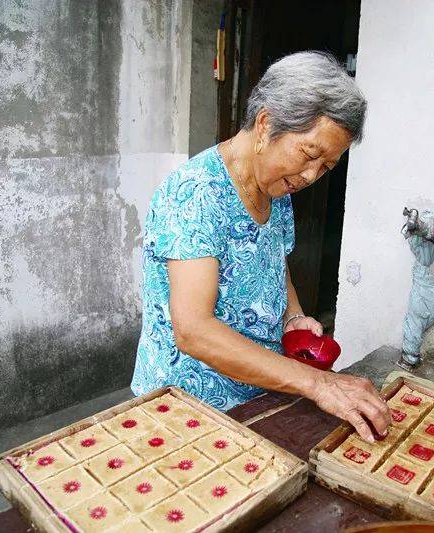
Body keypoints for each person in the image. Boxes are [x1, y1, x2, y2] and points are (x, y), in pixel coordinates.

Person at [131, 51, 390, 442]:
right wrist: (317, 384)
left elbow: (273, 263)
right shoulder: (195, 195)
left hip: (255, 396)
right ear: (267, 125)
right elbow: (194, 330)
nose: (310, 176)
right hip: (187, 409)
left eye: (326, 168)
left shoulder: (277, 189)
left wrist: (293, 317)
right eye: (310, 155)